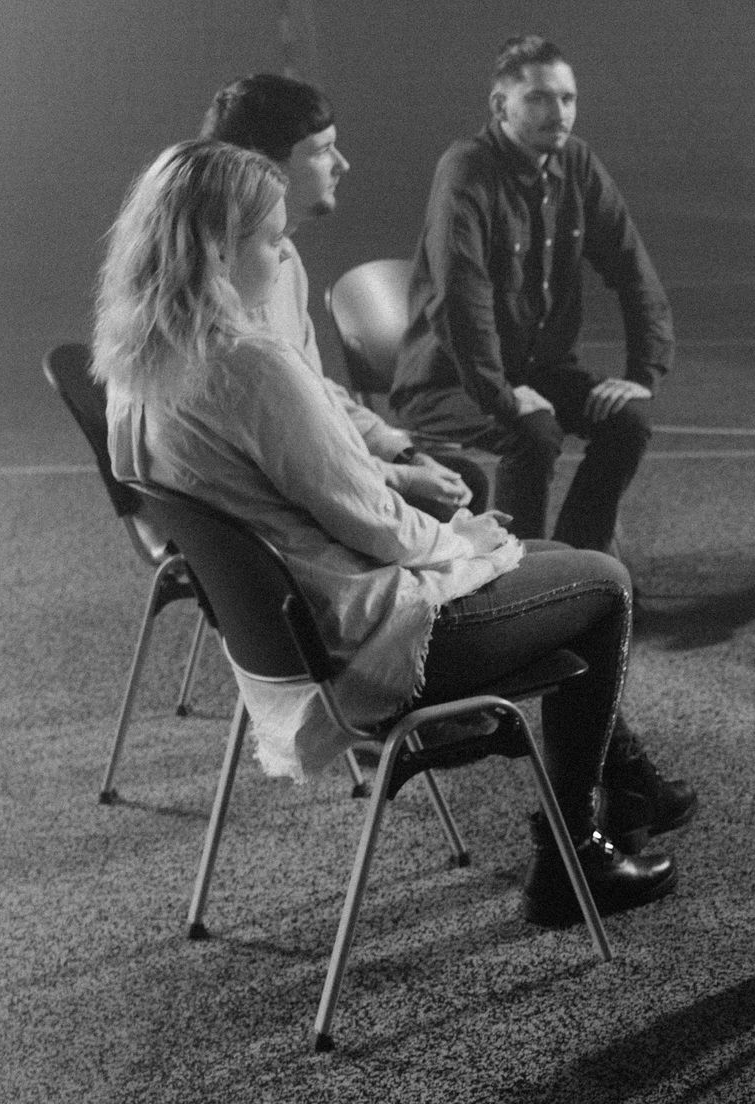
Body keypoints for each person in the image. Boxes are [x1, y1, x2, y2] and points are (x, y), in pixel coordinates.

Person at [92, 140, 678, 925]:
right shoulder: (245, 366)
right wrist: (469, 543)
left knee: (554, 560)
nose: (284, 253)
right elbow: (373, 522)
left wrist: (473, 543)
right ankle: (573, 853)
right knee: (605, 583)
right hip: (365, 640)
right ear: (217, 249)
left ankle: (612, 799)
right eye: (272, 240)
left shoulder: (133, 370)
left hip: (286, 645)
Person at [391, 34, 675, 554]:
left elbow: (635, 270)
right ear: (501, 106)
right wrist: (499, 394)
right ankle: (515, 585)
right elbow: (461, 296)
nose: (559, 112)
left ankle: (576, 566)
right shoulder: (466, 168)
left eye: (567, 99)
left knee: (628, 422)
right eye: (539, 99)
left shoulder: (578, 165)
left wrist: (643, 375)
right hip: (449, 380)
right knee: (533, 433)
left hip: (538, 371)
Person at [198, 72, 484, 517]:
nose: (342, 164)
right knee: (458, 516)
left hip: (308, 472)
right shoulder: (218, 287)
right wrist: (394, 477)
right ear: (261, 165)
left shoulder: (285, 258)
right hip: (273, 504)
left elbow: (314, 392)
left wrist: (400, 452)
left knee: (462, 483)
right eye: (320, 150)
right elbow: (289, 454)